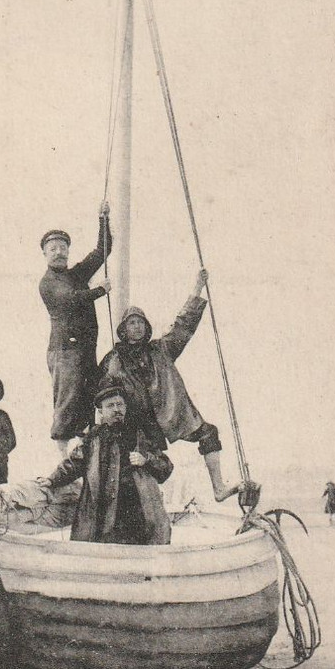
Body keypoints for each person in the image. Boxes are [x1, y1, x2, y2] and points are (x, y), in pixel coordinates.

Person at [98, 268, 238, 502]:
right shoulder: (114, 359)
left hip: (168, 415)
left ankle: (219, 489)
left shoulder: (161, 349)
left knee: (209, 433)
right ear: (123, 329)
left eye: (140, 322)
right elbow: (102, 391)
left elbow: (183, 326)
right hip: (138, 424)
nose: (137, 327)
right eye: (131, 323)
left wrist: (197, 288)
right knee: (145, 464)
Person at [36, 383, 173, 545]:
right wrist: (52, 480)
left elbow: (166, 466)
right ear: (101, 412)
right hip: (102, 514)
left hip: (137, 514)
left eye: (120, 404)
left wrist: (146, 460)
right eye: (110, 406)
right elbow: (74, 465)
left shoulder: (140, 436)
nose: (117, 409)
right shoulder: (92, 439)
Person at [39, 201, 112, 455]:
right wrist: (100, 290)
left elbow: (102, 250)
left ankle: (83, 461)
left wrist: (103, 219)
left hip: (84, 349)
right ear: (45, 254)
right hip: (64, 351)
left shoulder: (76, 274)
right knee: (67, 401)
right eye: (53, 249)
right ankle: (61, 459)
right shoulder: (48, 283)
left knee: (87, 400)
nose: (59, 252)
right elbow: (70, 298)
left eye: (62, 247)